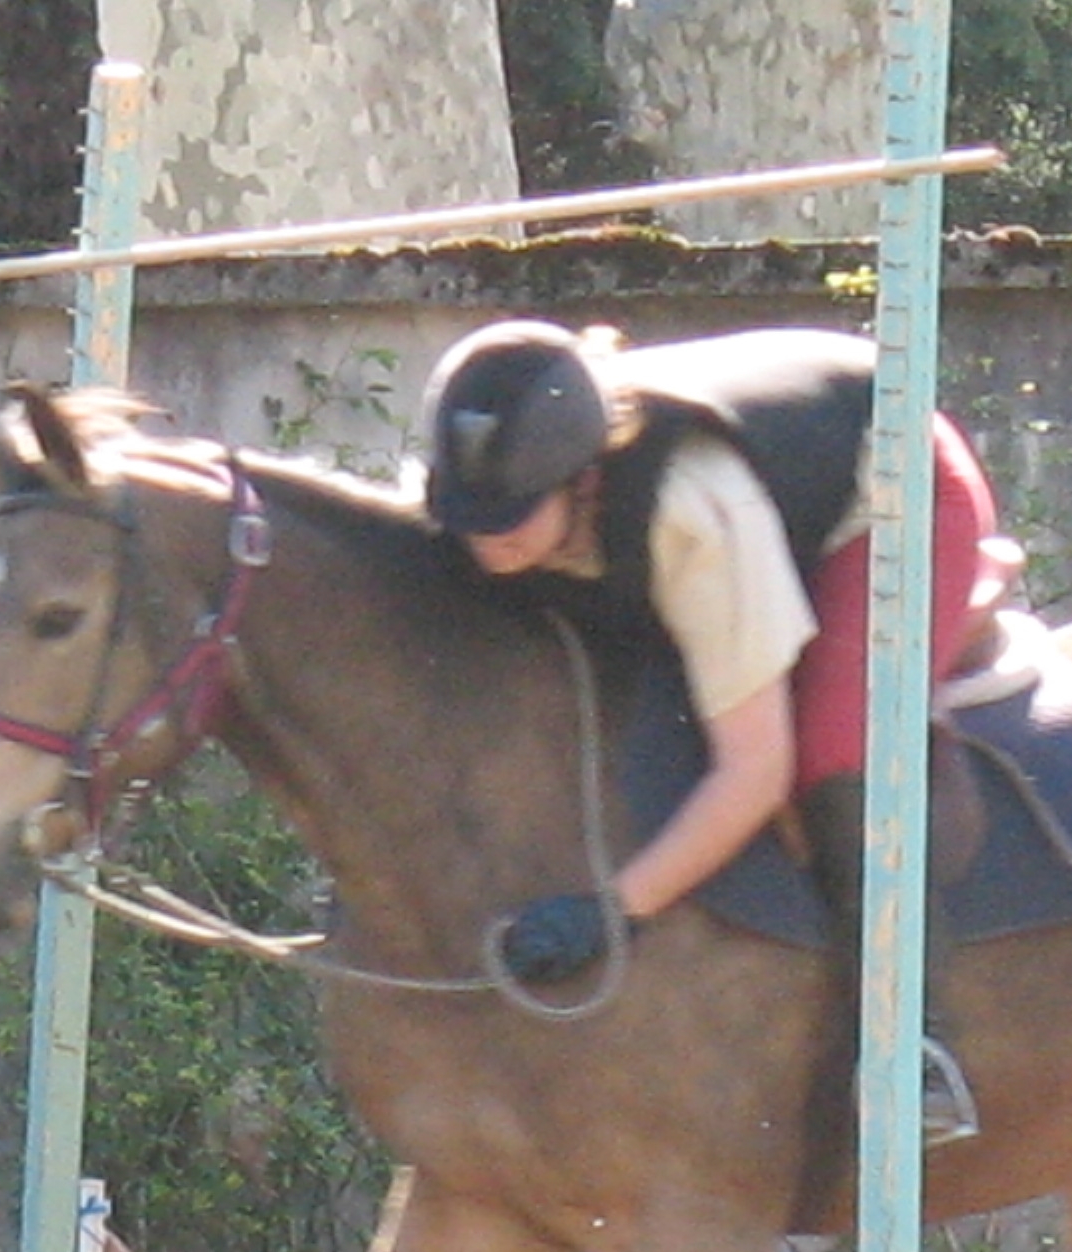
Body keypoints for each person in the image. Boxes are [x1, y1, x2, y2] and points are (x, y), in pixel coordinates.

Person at [421, 317, 1001, 1148]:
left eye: (512, 515)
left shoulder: (690, 510)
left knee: (832, 747)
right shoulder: (480, 505)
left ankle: (915, 1046)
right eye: (469, 515)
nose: (485, 538)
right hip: (760, 499)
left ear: (584, 481)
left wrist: (612, 911)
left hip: (895, 489)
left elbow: (754, 771)